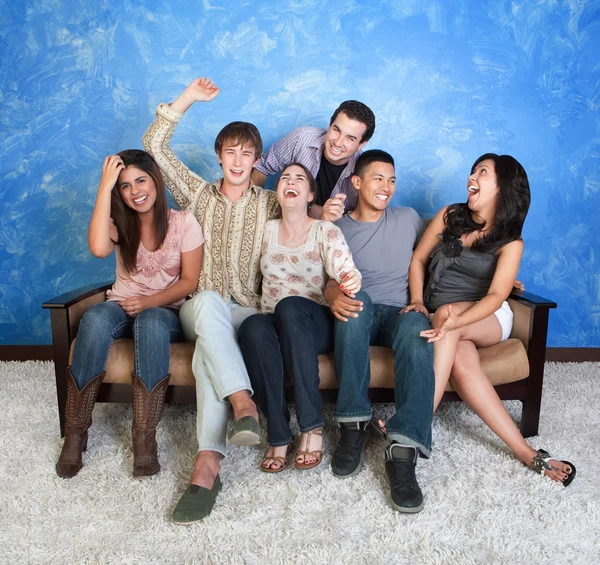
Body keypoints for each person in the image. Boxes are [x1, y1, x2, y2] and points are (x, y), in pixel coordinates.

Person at [142, 77, 280, 524]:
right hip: (200, 306)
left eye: (247, 153)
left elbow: (312, 218)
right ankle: (243, 404)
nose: (238, 161)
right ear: (219, 156)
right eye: (230, 152)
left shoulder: (272, 203)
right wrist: (188, 98)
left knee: (207, 351)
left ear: (256, 160)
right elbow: (154, 145)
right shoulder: (197, 194)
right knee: (204, 303)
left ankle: (207, 467)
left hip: (248, 312)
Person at [407, 153, 576, 486]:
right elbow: (418, 259)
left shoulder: (511, 242)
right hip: (444, 318)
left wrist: (454, 320)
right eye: (473, 171)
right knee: (462, 360)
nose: (471, 177)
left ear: (502, 187)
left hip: (488, 315)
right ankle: (526, 452)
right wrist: (415, 301)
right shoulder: (449, 215)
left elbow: (497, 295)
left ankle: (416, 424)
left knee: (448, 316)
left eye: (482, 172)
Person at [56, 150, 203, 479]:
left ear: (155, 181)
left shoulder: (184, 222)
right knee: (95, 317)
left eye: (141, 180)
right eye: (124, 185)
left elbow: (189, 282)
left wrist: (150, 302)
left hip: (165, 311)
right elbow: (98, 249)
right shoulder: (119, 223)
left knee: (150, 321)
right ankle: (75, 433)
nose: (135, 191)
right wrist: (104, 186)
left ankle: (144, 438)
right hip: (121, 305)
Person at [325, 149, 434, 513]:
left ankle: (404, 449)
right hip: (361, 310)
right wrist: (330, 293)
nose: (386, 187)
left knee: (418, 326)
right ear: (356, 182)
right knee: (357, 301)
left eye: (392, 180)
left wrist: (498, 275)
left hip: (399, 313)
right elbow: (323, 276)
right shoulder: (337, 229)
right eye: (377, 179)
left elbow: (448, 248)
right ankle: (352, 424)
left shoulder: (408, 218)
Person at [238, 163, 361, 473]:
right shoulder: (266, 230)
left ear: (310, 195)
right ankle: (279, 434)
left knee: (290, 307)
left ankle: (311, 425)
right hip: (274, 321)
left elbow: (346, 269)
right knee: (252, 326)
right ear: (278, 192)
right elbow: (245, 274)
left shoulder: (325, 230)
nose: (290, 182)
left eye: (299, 179)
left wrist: (348, 280)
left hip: (312, 322)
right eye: (285, 178)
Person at [251, 101, 375, 222]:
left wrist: (333, 216)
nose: (338, 142)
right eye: (336, 130)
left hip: (333, 232)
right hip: (285, 223)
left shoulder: (365, 172)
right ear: (330, 125)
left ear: (362, 144)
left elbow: (363, 218)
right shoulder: (301, 138)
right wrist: (252, 212)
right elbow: (263, 166)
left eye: (350, 138)